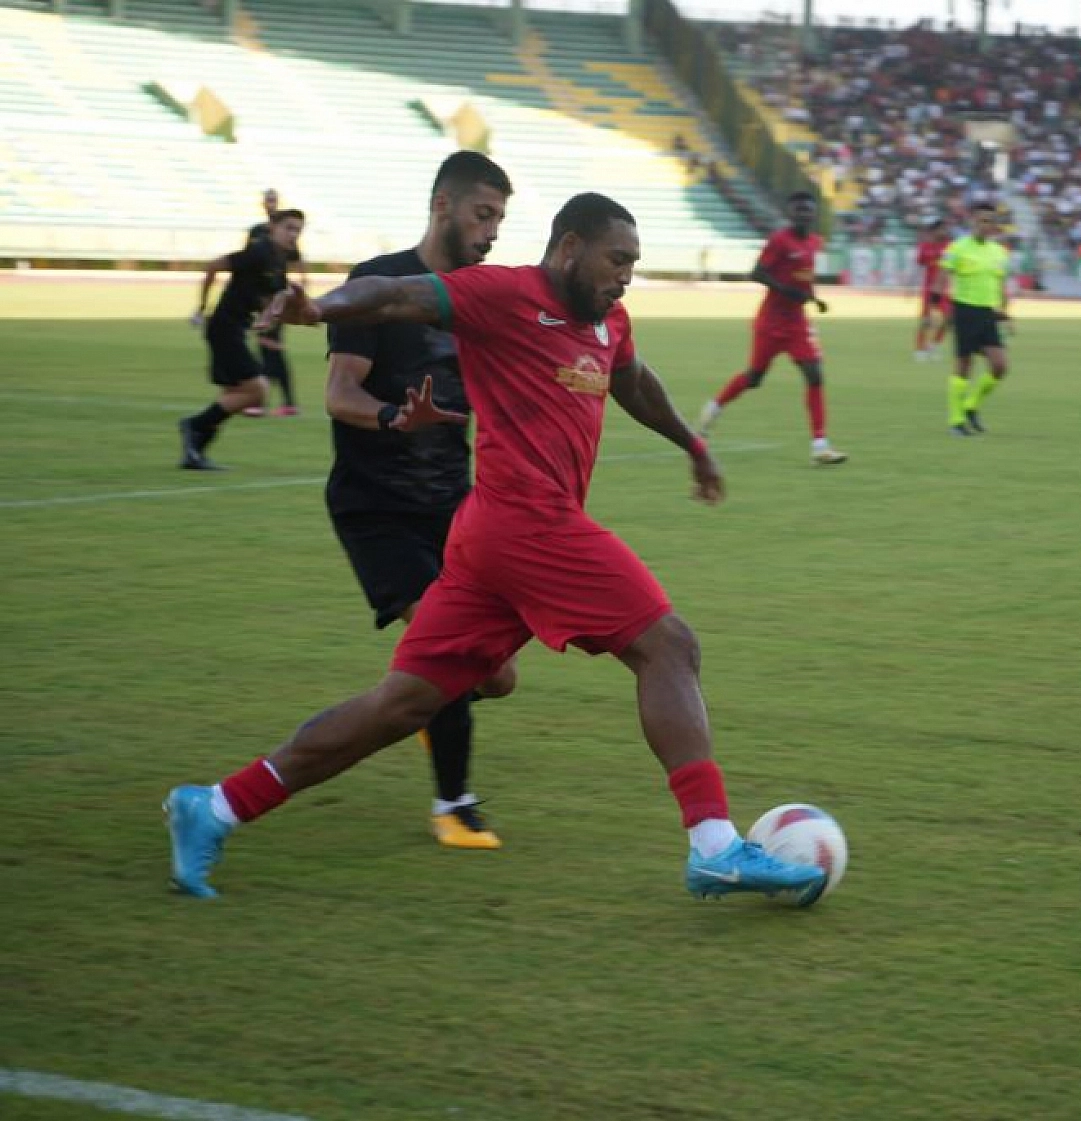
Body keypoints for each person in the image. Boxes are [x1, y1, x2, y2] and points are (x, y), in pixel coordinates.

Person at [163, 192, 827, 905]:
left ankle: (216, 805)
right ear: (569, 247)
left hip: (487, 540)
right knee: (669, 646)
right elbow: (392, 294)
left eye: (634, 264)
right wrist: (319, 309)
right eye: (617, 260)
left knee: (400, 705)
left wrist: (692, 444)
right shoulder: (502, 293)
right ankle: (716, 846)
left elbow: (631, 379)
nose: (625, 276)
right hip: (526, 521)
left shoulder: (608, 320)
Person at [325, 151, 519, 849]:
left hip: (454, 508)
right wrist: (392, 418)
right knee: (456, 649)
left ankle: (423, 710)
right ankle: (454, 806)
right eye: (482, 213)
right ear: (443, 205)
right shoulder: (376, 283)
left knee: (499, 677)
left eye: (500, 217)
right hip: (377, 506)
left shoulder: (481, 296)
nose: (492, 230)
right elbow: (340, 393)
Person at [696, 191, 848, 466]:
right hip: (771, 322)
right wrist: (788, 291)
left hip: (798, 323)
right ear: (790, 213)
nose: (803, 214)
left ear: (814, 214)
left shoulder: (815, 242)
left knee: (814, 374)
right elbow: (757, 272)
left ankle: (820, 444)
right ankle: (714, 407)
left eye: (808, 210)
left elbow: (803, 277)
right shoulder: (779, 240)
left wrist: (814, 299)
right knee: (754, 378)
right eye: (798, 210)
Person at [179, 209, 305, 469]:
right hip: (225, 328)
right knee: (257, 389)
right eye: (289, 228)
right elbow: (214, 266)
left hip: (237, 329)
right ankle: (194, 425)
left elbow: (272, 300)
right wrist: (202, 306)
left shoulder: (279, 261)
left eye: (298, 230)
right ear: (273, 227)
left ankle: (195, 453)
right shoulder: (258, 252)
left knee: (235, 392)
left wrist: (282, 314)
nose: (294, 235)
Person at [941, 201, 1012, 436]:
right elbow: (942, 280)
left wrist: (1006, 311)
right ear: (972, 221)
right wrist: (941, 312)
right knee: (964, 365)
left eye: (990, 221)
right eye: (982, 220)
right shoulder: (957, 248)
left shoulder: (998, 252)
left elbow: (1000, 283)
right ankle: (956, 420)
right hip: (964, 310)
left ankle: (971, 405)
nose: (986, 225)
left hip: (988, 313)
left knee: (1000, 365)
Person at [244, 188, 305, 417]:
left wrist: (299, 291)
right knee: (270, 349)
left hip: (275, 297)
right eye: (267, 200)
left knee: (270, 348)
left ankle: (262, 402)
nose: (270, 203)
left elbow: (297, 262)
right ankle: (284, 403)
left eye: (273, 200)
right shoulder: (257, 231)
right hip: (260, 297)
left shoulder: (284, 232)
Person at [914, 218, 952, 362]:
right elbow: (919, 264)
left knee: (948, 319)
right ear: (934, 231)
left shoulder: (950, 246)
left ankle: (935, 345)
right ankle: (919, 349)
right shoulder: (925, 246)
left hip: (945, 289)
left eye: (946, 229)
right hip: (929, 289)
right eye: (942, 229)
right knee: (927, 320)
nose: (945, 232)